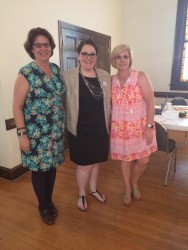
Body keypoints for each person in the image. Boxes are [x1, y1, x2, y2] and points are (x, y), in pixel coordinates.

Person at [13, 27, 65, 225]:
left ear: (51, 47)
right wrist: (22, 135)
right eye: (38, 45)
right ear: (32, 48)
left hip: (55, 132)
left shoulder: (55, 70)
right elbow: (16, 107)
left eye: (46, 44)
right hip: (35, 133)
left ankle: (49, 200)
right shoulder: (26, 73)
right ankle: (43, 206)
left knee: (52, 169)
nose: (43, 48)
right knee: (39, 170)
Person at [63, 39, 111, 211]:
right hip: (80, 129)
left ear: (96, 57)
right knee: (84, 164)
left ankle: (93, 189)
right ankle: (82, 193)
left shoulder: (104, 75)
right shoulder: (68, 76)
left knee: (96, 161)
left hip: (99, 128)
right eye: (84, 53)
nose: (88, 57)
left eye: (92, 54)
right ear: (78, 56)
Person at [110, 44, 157, 205]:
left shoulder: (140, 76)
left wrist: (150, 127)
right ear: (114, 60)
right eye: (118, 57)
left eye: (125, 57)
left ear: (130, 59)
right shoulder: (111, 81)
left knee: (144, 161)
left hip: (141, 127)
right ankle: (128, 188)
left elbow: (151, 103)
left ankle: (134, 181)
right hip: (120, 129)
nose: (122, 60)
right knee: (125, 159)